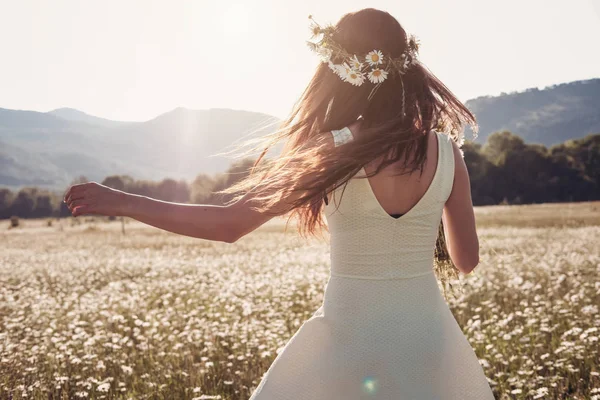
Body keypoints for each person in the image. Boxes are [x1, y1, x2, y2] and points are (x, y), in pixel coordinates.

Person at [64, 8, 495, 399]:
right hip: (426, 340)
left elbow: (228, 224)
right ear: (406, 68)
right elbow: (466, 260)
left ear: (341, 73)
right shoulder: (447, 153)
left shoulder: (334, 149)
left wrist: (124, 201)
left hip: (349, 342)